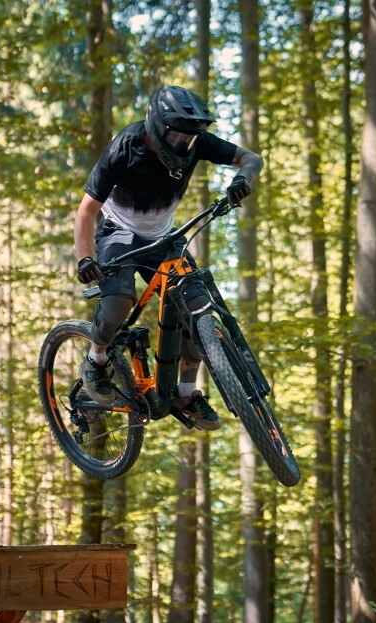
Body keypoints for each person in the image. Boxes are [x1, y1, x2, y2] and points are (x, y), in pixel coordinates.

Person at [73, 85, 264, 431]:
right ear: (158, 127)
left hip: (164, 238)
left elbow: (252, 159)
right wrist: (85, 258)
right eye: (177, 134)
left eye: (190, 136)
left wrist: (242, 180)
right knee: (118, 303)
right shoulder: (126, 145)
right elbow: (86, 211)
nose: (184, 142)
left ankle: (186, 393)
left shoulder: (197, 142)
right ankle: (95, 360)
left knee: (198, 309)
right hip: (119, 232)